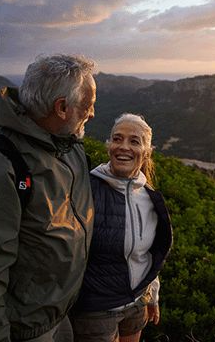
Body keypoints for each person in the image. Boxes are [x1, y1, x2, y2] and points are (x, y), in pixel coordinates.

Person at [0, 54, 98, 342]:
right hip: (23, 330)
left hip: (61, 318)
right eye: (88, 106)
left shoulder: (70, 150)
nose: (91, 114)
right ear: (62, 108)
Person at [70, 113, 173, 342]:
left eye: (134, 141)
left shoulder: (150, 197)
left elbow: (148, 254)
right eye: (117, 139)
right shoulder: (87, 189)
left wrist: (152, 295)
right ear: (109, 145)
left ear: (146, 151)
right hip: (96, 310)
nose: (123, 147)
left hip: (137, 303)